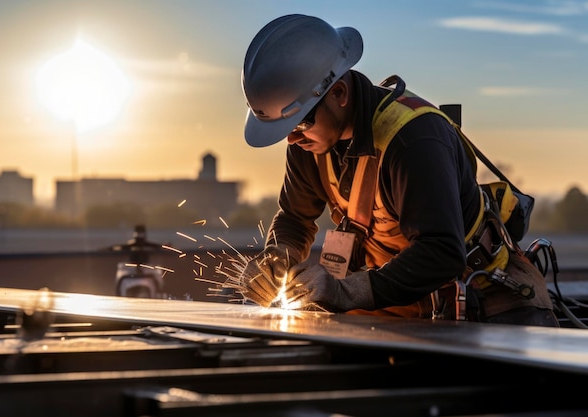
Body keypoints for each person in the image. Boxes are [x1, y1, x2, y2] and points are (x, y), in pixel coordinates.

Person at [237, 14, 558, 327]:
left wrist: (343, 291)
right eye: (286, 129)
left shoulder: (413, 140)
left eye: (300, 122)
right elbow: (295, 218)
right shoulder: (308, 143)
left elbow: (442, 253)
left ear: (339, 93)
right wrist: (277, 255)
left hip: (477, 299)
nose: (293, 138)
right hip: (389, 299)